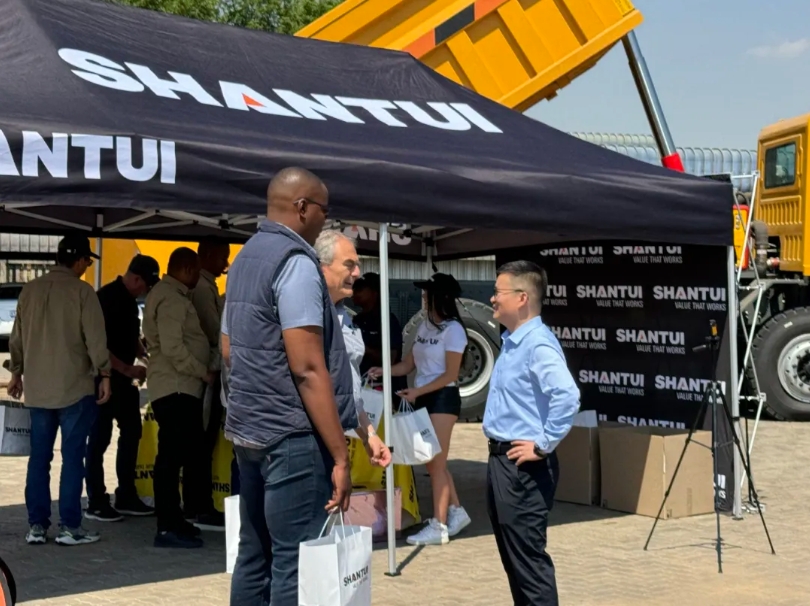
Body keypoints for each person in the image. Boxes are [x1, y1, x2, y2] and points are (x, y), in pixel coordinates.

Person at [225, 167, 358, 606]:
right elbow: (307, 368)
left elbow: (227, 348)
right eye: (324, 210)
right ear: (302, 208)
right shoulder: (295, 263)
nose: (326, 219)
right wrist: (340, 455)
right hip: (291, 437)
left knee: (253, 554)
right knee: (294, 561)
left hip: (249, 430)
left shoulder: (245, 257)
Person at [483, 260, 580, 606]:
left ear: (522, 298)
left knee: (529, 566)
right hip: (503, 462)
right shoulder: (514, 341)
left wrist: (542, 445)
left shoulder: (537, 344)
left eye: (499, 292)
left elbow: (567, 396)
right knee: (515, 563)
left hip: (523, 468)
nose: (493, 298)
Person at [8, 235, 111, 546]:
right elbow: (95, 338)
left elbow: (17, 337)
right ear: (78, 261)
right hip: (74, 388)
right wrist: (105, 373)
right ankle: (69, 527)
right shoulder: (82, 292)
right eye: (88, 261)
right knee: (72, 458)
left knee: (38, 459)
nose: (88, 266)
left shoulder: (30, 290)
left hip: (38, 390)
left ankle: (36, 527)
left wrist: (16, 372)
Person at [369, 272, 471, 546]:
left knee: (435, 463)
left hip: (443, 399)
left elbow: (450, 375)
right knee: (433, 461)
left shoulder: (454, 330)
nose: (424, 298)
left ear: (442, 297)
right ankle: (456, 511)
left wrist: (417, 392)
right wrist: (385, 370)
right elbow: (408, 364)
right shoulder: (425, 326)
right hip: (424, 396)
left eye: (428, 294)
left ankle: (439, 525)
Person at [143, 247, 215, 549]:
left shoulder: (171, 294)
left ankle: (175, 518)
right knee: (171, 459)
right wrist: (202, 371)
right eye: (196, 271)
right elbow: (173, 347)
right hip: (175, 387)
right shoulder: (171, 298)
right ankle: (166, 526)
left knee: (179, 455)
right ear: (186, 269)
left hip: (179, 387)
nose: (198, 277)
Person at [85, 254, 161, 522]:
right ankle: (96, 501)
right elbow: (99, 345)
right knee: (99, 439)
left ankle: (126, 495)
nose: (146, 291)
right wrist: (127, 369)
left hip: (125, 383)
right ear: (136, 278)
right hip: (103, 380)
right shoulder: (105, 298)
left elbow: (128, 334)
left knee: (131, 432)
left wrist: (143, 352)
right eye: (146, 286)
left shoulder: (129, 301)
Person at [315, 230, 392, 467]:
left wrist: (369, 434)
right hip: (308, 441)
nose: (357, 273)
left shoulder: (342, 314)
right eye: (349, 265)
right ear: (322, 266)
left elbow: (348, 386)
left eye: (356, 265)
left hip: (331, 438)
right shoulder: (307, 313)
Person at [189, 237, 231, 531]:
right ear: (206, 255)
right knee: (201, 444)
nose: (225, 264)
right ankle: (199, 506)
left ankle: (199, 504)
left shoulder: (209, 286)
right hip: (207, 373)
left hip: (211, 371)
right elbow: (215, 332)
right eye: (221, 257)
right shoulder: (203, 289)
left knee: (204, 443)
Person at [351, 272, 407, 402]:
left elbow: (391, 359)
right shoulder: (357, 320)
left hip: (386, 389)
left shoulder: (387, 320)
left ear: (374, 293)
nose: (354, 292)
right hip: (362, 385)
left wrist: (364, 349)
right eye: (354, 288)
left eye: (360, 289)